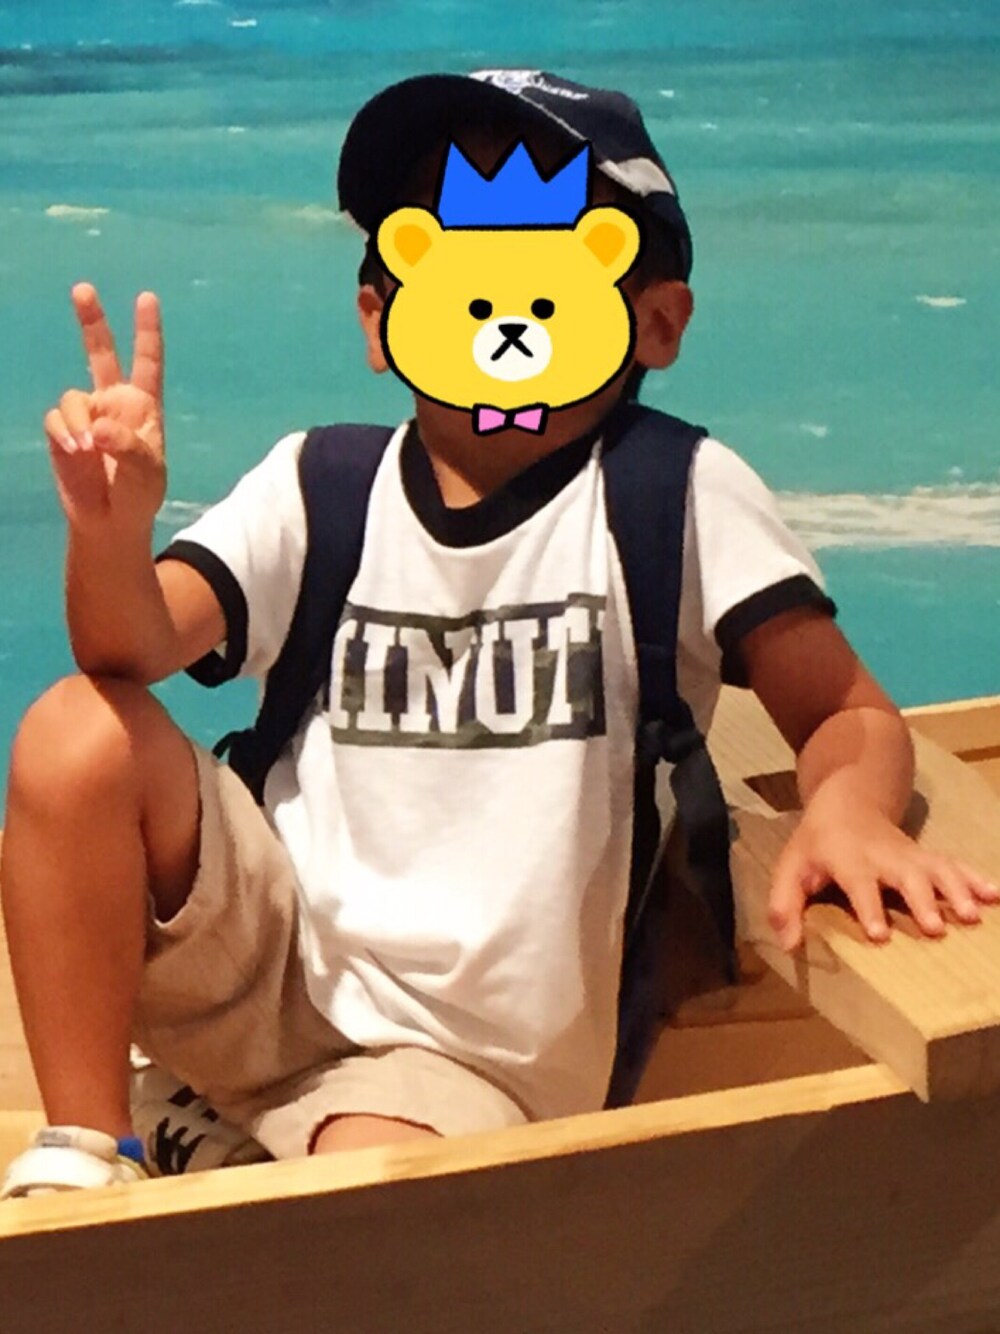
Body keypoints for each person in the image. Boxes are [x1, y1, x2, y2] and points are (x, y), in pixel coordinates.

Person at [2, 70, 995, 1198]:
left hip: (466, 1058)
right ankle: (93, 1147)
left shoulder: (676, 496)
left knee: (368, 1182)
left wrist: (849, 810)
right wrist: (110, 534)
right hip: (268, 958)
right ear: (381, 320)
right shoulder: (321, 483)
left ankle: (212, 1128)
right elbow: (128, 649)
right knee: (74, 731)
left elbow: (846, 711)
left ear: (656, 320)